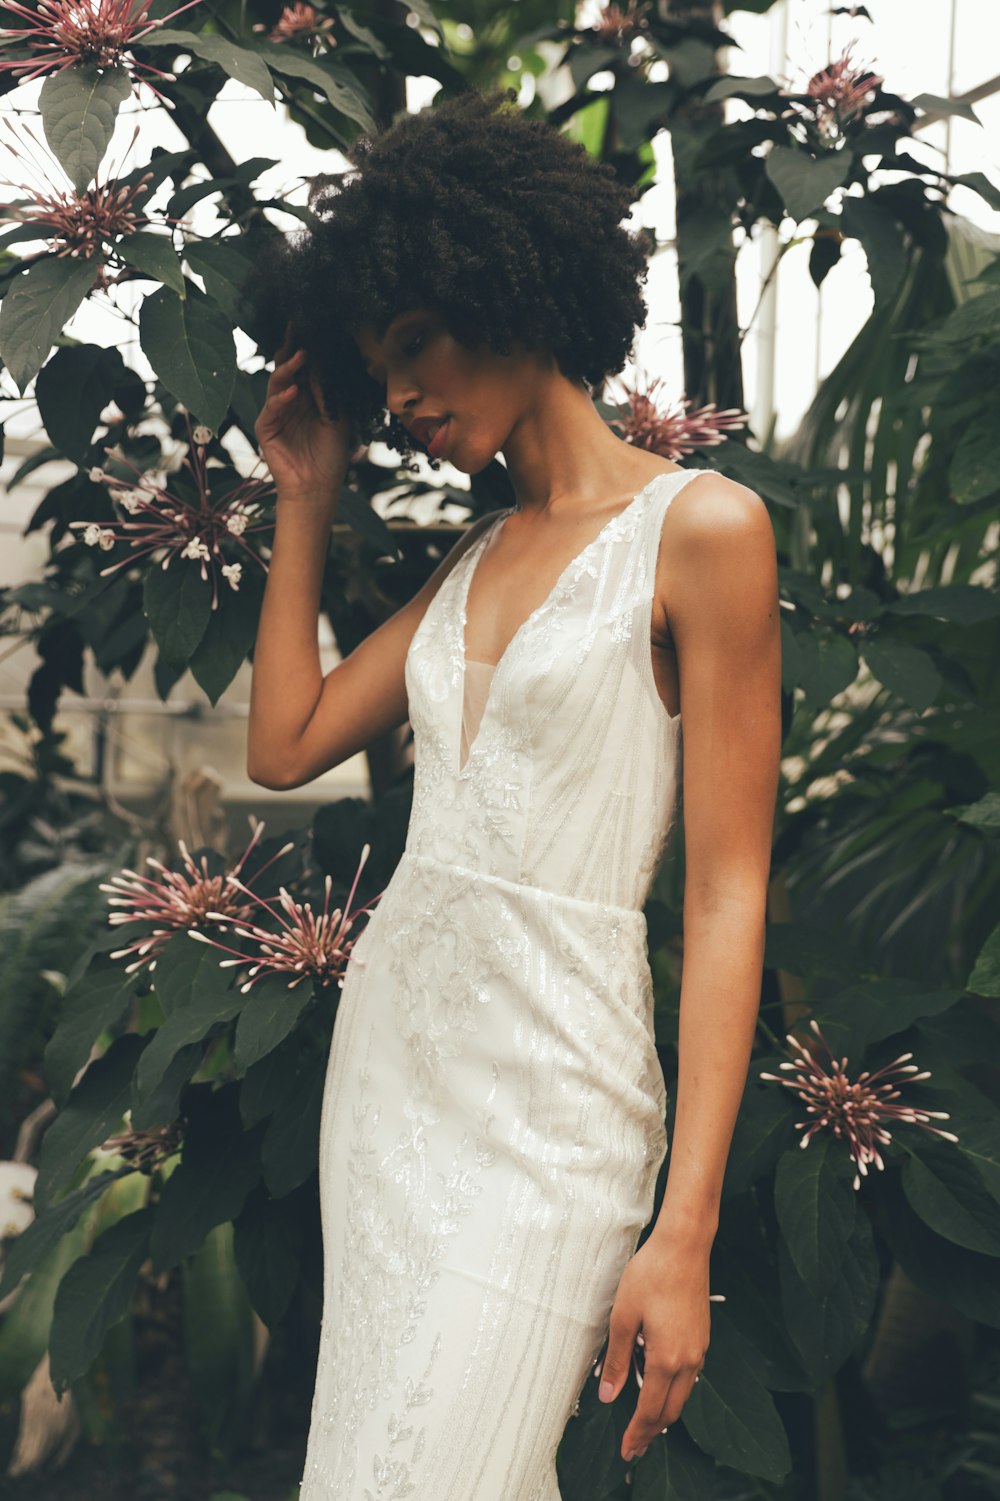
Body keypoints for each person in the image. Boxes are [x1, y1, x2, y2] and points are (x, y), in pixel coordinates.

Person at [247, 87, 781, 1500]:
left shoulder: (704, 529)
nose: (403, 395)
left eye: (415, 343)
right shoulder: (470, 566)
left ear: (515, 286)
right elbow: (285, 743)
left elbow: (727, 897)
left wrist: (686, 1231)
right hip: (396, 1072)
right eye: (380, 367)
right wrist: (305, 494)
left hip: (561, 1099)